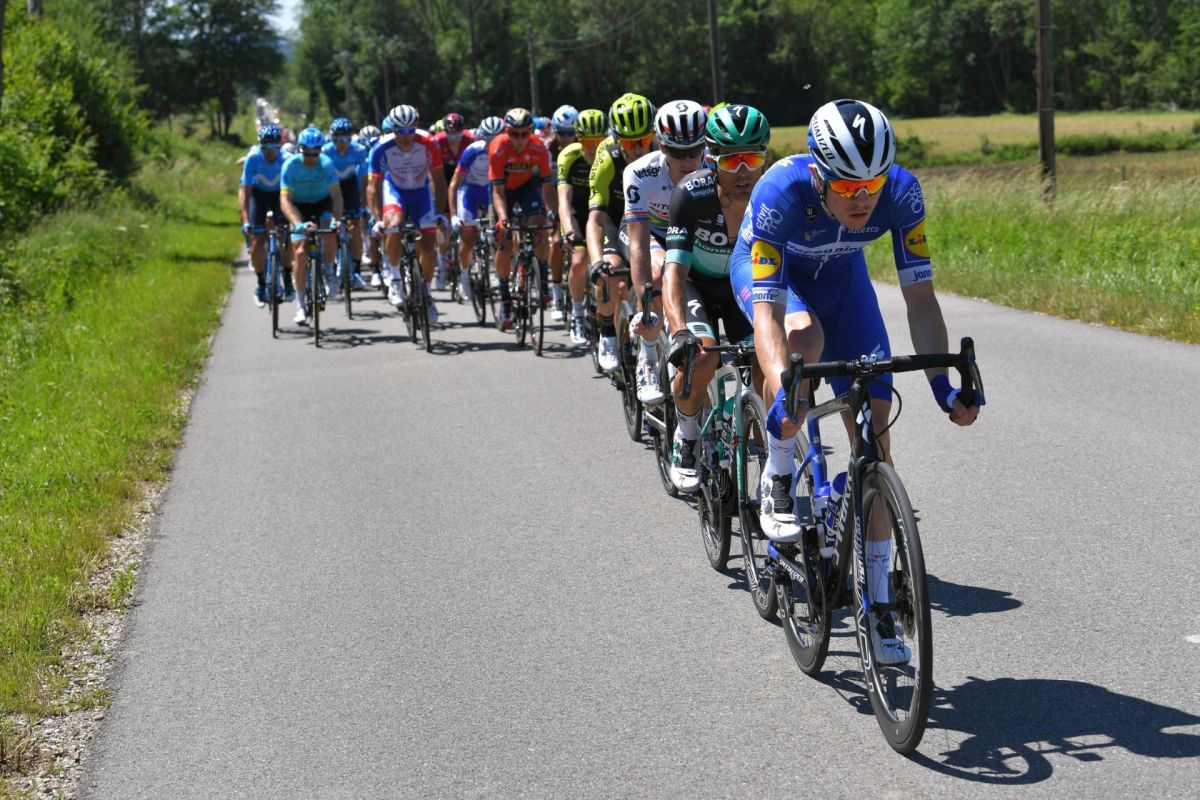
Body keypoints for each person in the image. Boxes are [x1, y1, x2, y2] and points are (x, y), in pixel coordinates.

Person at [732, 98, 981, 664]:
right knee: (803, 344)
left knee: (876, 425)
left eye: (871, 184)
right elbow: (767, 317)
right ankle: (778, 468)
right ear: (818, 173)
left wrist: (943, 388)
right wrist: (785, 392)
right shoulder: (779, 191)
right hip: (777, 280)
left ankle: (879, 597)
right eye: (846, 188)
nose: (862, 198)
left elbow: (921, 300)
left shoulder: (903, 193)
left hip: (845, 285)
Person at [663, 104, 771, 492]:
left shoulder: (772, 195)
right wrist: (679, 330)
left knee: (766, 361)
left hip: (742, 287)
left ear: (765, 157)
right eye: (731, 160)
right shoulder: (690, 194)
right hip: (697, 286)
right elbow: (673, 273)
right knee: (703, 355)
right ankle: (687, 435)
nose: (743, 171)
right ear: (711, 158)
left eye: (752, 159)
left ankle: (770, 454)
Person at [622, 99, 707, 404]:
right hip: (649, 233)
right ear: (661, 146)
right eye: (677, 153)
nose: (688, 161)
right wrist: (644, 298)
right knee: (660, 272)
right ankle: (646, 356)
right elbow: (638, 244)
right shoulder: (640, 172)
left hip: (690, 234)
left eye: (695, 151)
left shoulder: (714, 166)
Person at [586, 92, 656, 371]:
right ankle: (606, 331)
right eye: (629, 142)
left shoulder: (662, 154)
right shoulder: (607, 159)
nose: (638, 148)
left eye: (644, 140)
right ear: (617, 139)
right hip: (614, 220)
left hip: (646, 220)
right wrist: (596, 261)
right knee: (611, 270)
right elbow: (595, 220)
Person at [366, 104, 447, 323]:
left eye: (411, 130)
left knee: (428, 244)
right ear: (393, 130)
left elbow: (439, 182)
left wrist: (439, 213)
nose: (406, 136)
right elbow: (373, 188)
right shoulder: (381, 148)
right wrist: (377, 219)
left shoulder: (428, 143)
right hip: (395, 192)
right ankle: (394, 279)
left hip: (421, 193)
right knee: (394, 224)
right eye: (401, 131)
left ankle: (427, 294)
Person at [488, 107, 556, 331]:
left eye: (524, 134)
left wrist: (553, 213)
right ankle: (505, 299)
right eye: (513, 134)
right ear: (506, 132)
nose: (519, 139)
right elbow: (497, 191)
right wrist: (503, 218)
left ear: (530, 132)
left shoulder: (538, 147)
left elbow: (547, 186)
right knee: (504, 242)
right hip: (503, 193)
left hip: (527, 188)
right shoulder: (497, 147)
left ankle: (543, 281)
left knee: (541, 227)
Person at [280, 126, 344, 326]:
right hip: (298, 206)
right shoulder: (290, 165)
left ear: (320, 150)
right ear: (300, 149)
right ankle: (300, 305)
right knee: (300, 252)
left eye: (315, 153)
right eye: (306, 153)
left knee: (329, 232)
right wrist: (297, 224)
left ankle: (329, 269)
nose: (311, 157)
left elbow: (336, 197)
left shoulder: (327, 164)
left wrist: (336, 220)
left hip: (322, 203)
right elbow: (285, 200)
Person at [556, 108, 606, 343]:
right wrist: (568, 231)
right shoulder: (569, 156)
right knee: (578, 260)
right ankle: (577, 313)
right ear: (578, 138)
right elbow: (563, 202)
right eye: (587, 141)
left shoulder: (609, 155)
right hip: (576, 213)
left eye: (598, 141)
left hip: (601, 213)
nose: (593, 147)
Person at [448, 115, 505, 302]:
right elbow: (454, 185)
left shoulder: (507, 151)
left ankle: (497, 272)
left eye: (497, 139)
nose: (492, 144)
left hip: (490, 192)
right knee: (469, 236)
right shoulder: (472, 151)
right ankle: (464, 275)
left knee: (499, 233)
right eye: (488, 139)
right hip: (469, 192)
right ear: (481, 137)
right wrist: (454, 216)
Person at [239, 123, 294, 306]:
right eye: (265, 147)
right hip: (258, 196)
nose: (270, 151)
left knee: (285, 235)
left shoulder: (287, 159)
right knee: (257, 242)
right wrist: (246, 220)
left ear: (280, 145)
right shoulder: (253, 158)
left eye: (274, 147)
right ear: (260, 145)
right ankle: (261, 284)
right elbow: (245, 192)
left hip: (280, 196)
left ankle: (287, 278)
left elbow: (293, 191)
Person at [321, 117, 369, 289]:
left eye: (346, 140)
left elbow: (364, 180)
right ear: (332, 139)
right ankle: (331, 266)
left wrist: (363, 203)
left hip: (350, 186)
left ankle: (356, 270)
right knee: (330, 228)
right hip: (331, 186)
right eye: (338, 140)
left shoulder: (358, 150)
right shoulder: (325, 151)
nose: (342, 144)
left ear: (351, 138)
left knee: (354, 227)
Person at [543, 104, 579, 320]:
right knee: (557, 242)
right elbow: (543, 184)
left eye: (570, 133)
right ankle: (556, 293)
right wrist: (550, 210)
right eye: (561, 133)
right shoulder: (547, 149)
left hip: (575, 194)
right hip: (554, 195)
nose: (566, 138)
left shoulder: (582, 146)